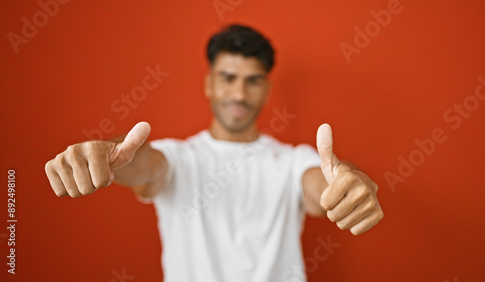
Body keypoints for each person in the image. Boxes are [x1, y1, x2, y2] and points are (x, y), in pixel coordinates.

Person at [44, 24, 383, 282]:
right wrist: (105, 156)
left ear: (266, 90)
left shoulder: (293, 161)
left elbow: (322, 185)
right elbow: (142, 164)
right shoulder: (179, 158)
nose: (239, 93)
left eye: (252, 81)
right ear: (209, 84)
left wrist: (350, 185)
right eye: (228, 77)